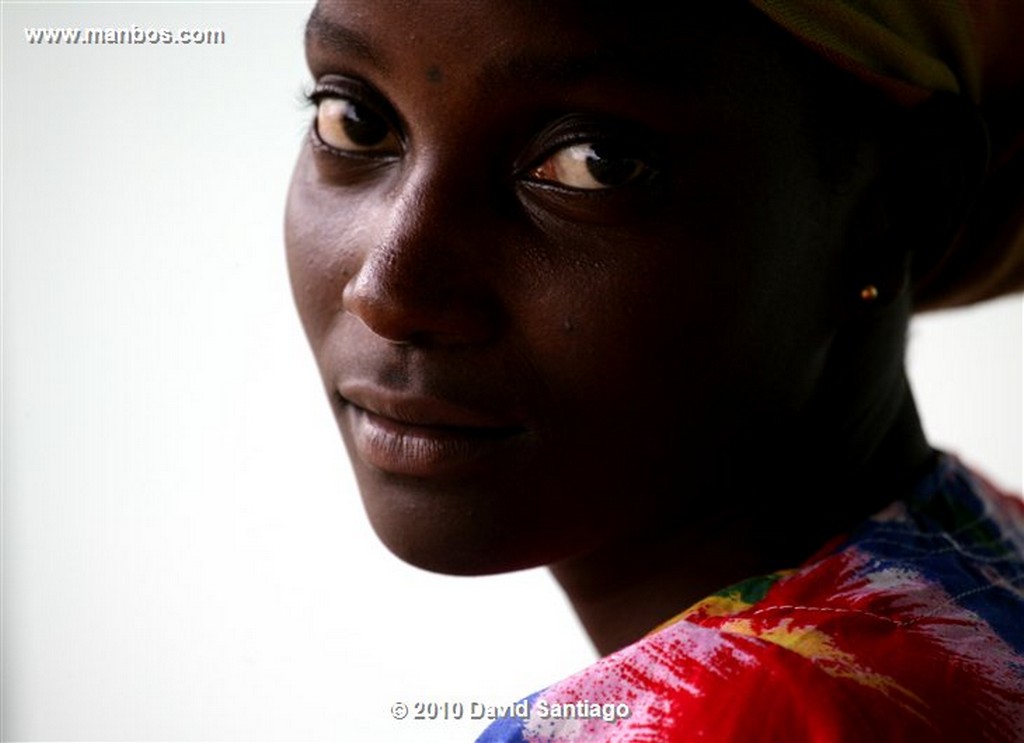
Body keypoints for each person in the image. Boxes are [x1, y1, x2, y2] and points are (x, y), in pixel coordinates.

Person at [284, 1, 1024, 740]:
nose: (387, 292)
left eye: (593, 163)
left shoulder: (763, 713)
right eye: (354, 121)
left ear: (900, 205)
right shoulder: (987, 568)